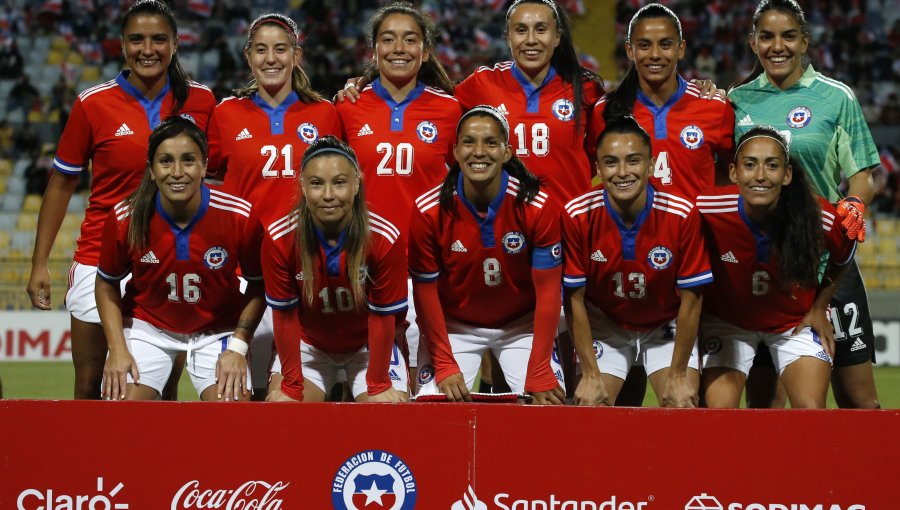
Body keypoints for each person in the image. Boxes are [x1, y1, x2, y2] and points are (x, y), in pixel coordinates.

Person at [26, 0, 216, 400]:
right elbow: (61, 185)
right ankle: (90, 465)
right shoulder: (92, 103)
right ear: (122, 45)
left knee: (160, 388)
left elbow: (217, 180)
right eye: (137, 39)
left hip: (170, 259)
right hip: (100, 255)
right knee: (91, 381)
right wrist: (39, 262)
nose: (148, 49)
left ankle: (153, 464)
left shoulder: (201, 101)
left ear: (176, 43)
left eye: (159, 39)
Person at [729, 0, 881, 408]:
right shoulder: (735, 101)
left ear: (805, 41)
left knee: (859, 399)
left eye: (788, 36)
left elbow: (864, 176)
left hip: (827, 262)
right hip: (764, 268)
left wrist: (853, 206)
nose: (777, 46)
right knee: (765, 407)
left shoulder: (836, 98)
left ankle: (867, 473)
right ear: (753, 43)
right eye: (767, 37)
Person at [205, 13, 342, 398]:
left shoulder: (325, 114)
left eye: (280, 49)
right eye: (261, 50)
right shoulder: (225, 113)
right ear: (248, 56)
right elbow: (210, 188)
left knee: (296, 392)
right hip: (241, 276)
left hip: (305, 271)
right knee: (235, 394)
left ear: (296, 55)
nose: (271, 59)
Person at [334, 1, 462, 388]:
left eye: (410, 40)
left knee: (429, 386)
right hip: (364, 263)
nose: (399, 48)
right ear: (373, 51)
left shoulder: (450, 109)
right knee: (368, 382)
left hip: (428, 266)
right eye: (388, 39)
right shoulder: (347, 107)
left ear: (425, 51)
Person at [97, 117, 264, 401]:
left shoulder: (239, 216)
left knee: (233, 413)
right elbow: (106, 284)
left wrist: (238, 347)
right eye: (165, 161)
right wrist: (117, 349)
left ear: (204, 167)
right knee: (119, 407)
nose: (177, 172)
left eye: (188, 160)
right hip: (148, 327)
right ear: (151, 170)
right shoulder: (126, 217)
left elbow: (259, 285)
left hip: (217, 329)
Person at [409, 106, 566, 404]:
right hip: (455, 325)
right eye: (469, 142)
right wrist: (443, 361)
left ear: (507, 152)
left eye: (490, 143)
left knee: (549, 406)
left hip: (521, 325)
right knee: (432, 412)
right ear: (455, 151)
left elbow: (548, 292)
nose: (478, 151)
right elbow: (425, 293)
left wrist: (540, 367)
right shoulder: (428, 210)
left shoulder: (537, 206)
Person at [697, 127, 855, 408]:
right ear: (734, 173)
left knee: (811, 412)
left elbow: (845, 252)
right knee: (718, 416)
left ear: (787, 174)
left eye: (772, 165)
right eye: (749, 165)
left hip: (793, 324)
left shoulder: (818, 217)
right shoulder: (707, 209)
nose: (760, 176)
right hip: (727, 323)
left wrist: (820, 307)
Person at [563, 116, 711, 407]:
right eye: (610, 162)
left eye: (633, 161)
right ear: (598, 168)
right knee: (590, 405)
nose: (622, 172)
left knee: (681, 404)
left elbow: (692, 299)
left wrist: (679, 373)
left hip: (664, 325)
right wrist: (590, 374)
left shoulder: (682, 214)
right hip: (606, 325)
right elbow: (574, 300)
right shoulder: (577, 214)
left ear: (651, 164)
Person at [263, 136, 409, 403]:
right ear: (303, 187)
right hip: (310, 347)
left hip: (368, 346)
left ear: (356, 184)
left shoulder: (384, 237)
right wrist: (293, 386)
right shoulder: (279, 238)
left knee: (386, 409)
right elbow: (285, 318)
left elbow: (382, 318)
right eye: (317, 183)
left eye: (339, 182)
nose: (328, 195)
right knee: (283, 408)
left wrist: (377, 383)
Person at [453, 0, 604, 204]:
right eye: (521, 30)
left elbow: (601, 154)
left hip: (569, 225)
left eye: (541, 29)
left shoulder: (585, 88)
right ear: (508, 37)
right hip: (502, 225)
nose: (531, 40)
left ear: (557, 36)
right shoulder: (481, 84)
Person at [589, 3, 734, 198]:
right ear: (630, 50)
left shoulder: (713, 105)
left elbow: (735, 170)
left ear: (680, 48)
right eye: (644, 45)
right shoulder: (605, 111)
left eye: (665, 44)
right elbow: (586, 172)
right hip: (630, 229)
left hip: (696, 229)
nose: (655, 55)